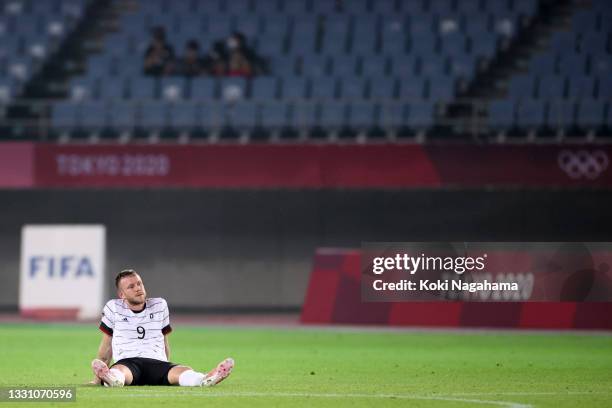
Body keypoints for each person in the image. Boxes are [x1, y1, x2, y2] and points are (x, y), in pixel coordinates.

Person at [90, 269, 234, 387]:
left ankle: (205, 379)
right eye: (131, 286)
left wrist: (166, 365)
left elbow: (164, 341)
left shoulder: (160, 305)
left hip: (157, 362)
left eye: (139, 283)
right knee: (119, 371)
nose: (138, 288)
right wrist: (97, 378)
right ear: (122, 295)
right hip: (128, 361)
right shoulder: (113, 307)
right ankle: (112, 379)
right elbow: (106, 346)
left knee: (184, 371)